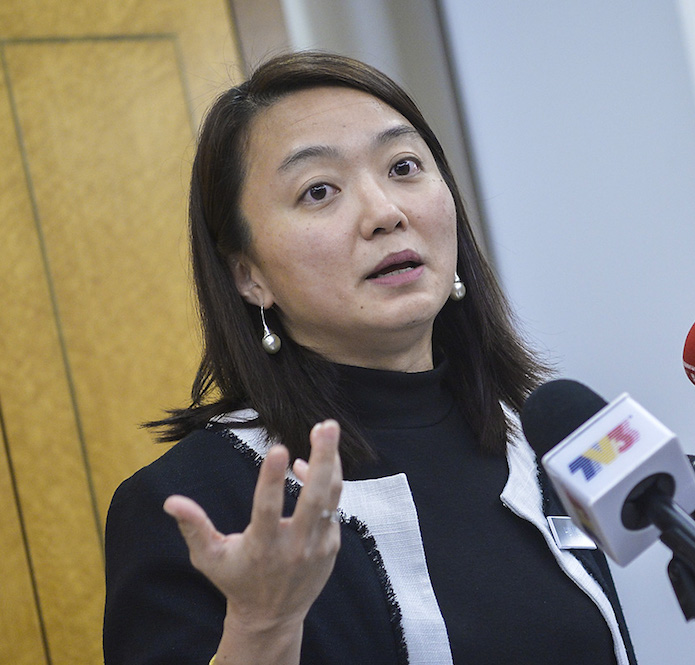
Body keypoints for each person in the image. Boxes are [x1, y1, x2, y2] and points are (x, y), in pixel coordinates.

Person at [103, 51, 636, 665]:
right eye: (319, 191)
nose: (385, 213)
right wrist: (263, 624)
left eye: (404, 166)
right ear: (248, 276)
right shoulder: (199, 504)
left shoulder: (547, 438)